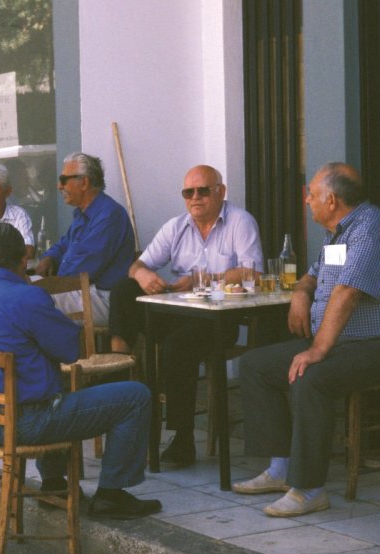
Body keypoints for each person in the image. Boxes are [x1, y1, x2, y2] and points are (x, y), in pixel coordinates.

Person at [233, 162, 380, 517]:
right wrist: (301, 294)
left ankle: (308, 489)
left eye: (312, 194)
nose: (307, 200)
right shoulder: (337, 234)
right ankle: (280, 469)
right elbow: (312, 276)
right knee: (255, 365)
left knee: (312, 376)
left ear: (332, 199)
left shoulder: (373, 228)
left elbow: (348, 292)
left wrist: (316, 350)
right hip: (346, 344)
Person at [0, 223, 162, 519]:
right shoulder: (26, 297)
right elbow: (71, 351)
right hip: (28, 422)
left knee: (52, 385)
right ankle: (112, 494)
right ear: (23, 261)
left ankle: (53, 482)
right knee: (135, 396)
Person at [108, 165, 264, 467]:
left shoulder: (240, 222)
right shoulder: (176, 226)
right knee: (124, 290)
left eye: (203, 190)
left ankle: (182, 438)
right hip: (178, 310)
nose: (195, 198)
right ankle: (119, 374)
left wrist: (202, 279)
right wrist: (144, 277)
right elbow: (137, 265)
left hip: (219, 317)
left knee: (176, 347)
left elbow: (252, 272)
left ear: (220, 191)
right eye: (188, 192)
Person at [35, 152, 135, 326]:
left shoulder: (109, 215)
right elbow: (64, 243)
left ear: (84, 183)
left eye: (64, 179)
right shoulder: (83, 214)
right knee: (20, 294)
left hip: (103, 297)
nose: (59, 186)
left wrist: (51, 282)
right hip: (83, 291)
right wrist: (49, 257)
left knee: (28, 302)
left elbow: (83, 268)